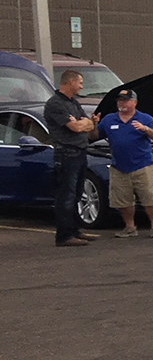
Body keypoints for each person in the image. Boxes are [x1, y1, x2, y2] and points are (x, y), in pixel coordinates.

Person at [42, 68, 101, 247]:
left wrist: (85, 123)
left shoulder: (74, 103)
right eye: (80, 83)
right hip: (67, 153)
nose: (82, 86)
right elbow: (75, 128)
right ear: (70, 82)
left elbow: (88, 127)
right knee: (66, 195)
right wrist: (82, 123)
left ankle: (74, 229)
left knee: (76, 194)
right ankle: (64, 235)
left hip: (81, 152)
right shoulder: (55, 104)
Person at [98, 88, 153, 238]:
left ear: (134, 102)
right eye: (119, 100)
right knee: (123, 199)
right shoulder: (109, 119)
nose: (121, 103)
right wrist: (92, 125)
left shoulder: (145, 118)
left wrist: (145, 129)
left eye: (125, 100)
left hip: (142, 164)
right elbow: (95, 135)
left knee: (150, 196)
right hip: (119, 166)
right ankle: (130, 227)